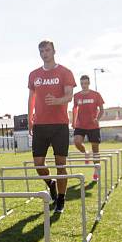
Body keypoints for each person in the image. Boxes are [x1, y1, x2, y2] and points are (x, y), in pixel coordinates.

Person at [28, 40, 75, 213]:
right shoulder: (34, 75)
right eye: (41, 51)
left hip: (59, 124)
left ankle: (61, 199)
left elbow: (69, 96)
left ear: (54, 51)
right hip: (40, 124)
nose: (44, 53)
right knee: (38, 164)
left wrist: (57, 101)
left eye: (47, 50)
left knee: (60, 164)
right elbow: (31, 97)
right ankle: (51, 183)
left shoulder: (65, 72)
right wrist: (29, 118)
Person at [72, 75, 104, 181]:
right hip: (80, 124)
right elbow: (75, 109)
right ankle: (86, 152)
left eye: (86, 83)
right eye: (82, 84)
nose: (84, 85)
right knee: (76, 142)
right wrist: (73, 121)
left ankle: (96, 171)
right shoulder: (76, 96)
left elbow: (102, 109)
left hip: (93, 125)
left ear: (89, 83)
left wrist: (97, 118)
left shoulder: (96, 95)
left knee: (96, 150)